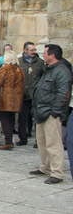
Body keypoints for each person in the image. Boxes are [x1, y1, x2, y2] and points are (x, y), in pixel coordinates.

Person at [30, 44, 72, 184]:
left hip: (51, 112)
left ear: (52, 55)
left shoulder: (61, 71)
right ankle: (45, 167)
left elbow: (63, 93)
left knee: (53, 144)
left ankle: (57, 172)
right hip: (41, 111)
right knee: (42, 142)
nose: (43, 55)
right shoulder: (48, 69)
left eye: (45, 53)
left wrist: (56, 111)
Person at [0, 51, 25, 150]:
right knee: (11, 120)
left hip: (5, 99)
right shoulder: (19, 69)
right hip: (16, 99)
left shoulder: (5, 68)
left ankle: (8, 142)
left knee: (5, 120)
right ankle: (10, 140)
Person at [18, 41, 44, 145]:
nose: (34, 52)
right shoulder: (19, 62)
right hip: (22, 95)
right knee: (22, 119)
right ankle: (22, 139)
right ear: (25, 50)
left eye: (35, 50)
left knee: (37, 119)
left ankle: (39, 141)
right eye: (32, 50)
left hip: (36, 95)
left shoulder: (40, 62)